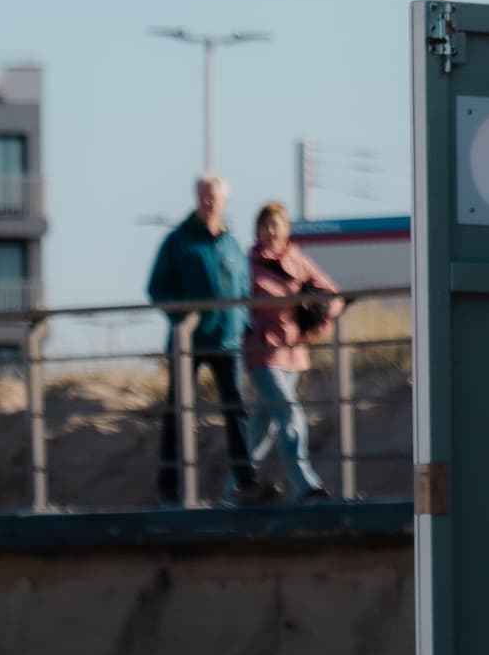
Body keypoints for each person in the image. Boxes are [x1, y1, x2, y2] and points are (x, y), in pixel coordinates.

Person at [145, 173, 255, 504]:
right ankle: (170, 487)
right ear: (196, 197)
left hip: (227, 341)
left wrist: (244, 322)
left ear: (224, 201)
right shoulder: (178, 241)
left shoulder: (231, 242)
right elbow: (157, 287)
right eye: (203, 196)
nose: (208, 202)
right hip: (189, 343)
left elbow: (243, 288)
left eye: (214, 197)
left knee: (236, 410)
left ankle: (247, 482)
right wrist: (183, 319)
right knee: (177, 413)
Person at [240, 200, 344, 501]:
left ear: (286, 229)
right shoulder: (248, 262)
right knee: (288, 412)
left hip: (293, 351)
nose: (272, 231)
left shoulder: (298, 260)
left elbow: (332, 294)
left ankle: (235, 487)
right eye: (266, 225)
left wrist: (318, 323)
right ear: (258, 230)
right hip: (262, 351)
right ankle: (305, 484)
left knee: (265, 423)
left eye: (277, 224)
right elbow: (235, 298)